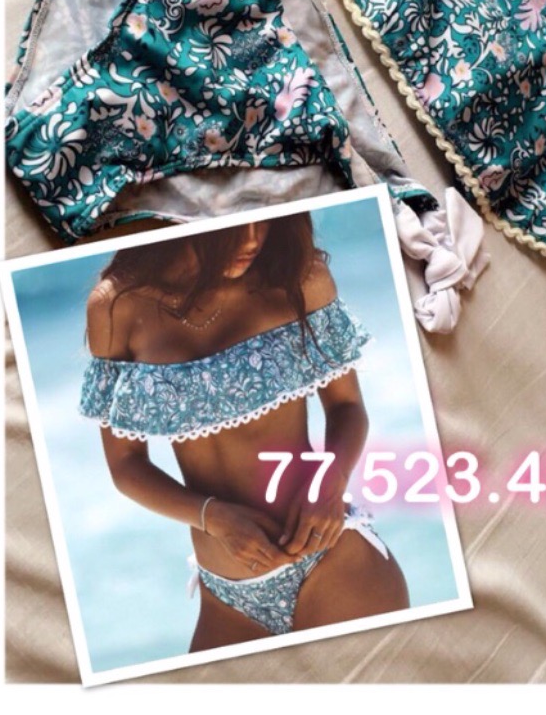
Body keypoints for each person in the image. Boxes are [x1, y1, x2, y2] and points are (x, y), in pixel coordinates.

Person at [80, 214, 409, 650]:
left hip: (332, 560)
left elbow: (346, 407)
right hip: (225, 598)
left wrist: (329, 483)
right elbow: (126, 466)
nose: (253, 239)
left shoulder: (298, 279)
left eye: (263, 222)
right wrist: (213, 517)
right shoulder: (116, 305)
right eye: (235, 226)